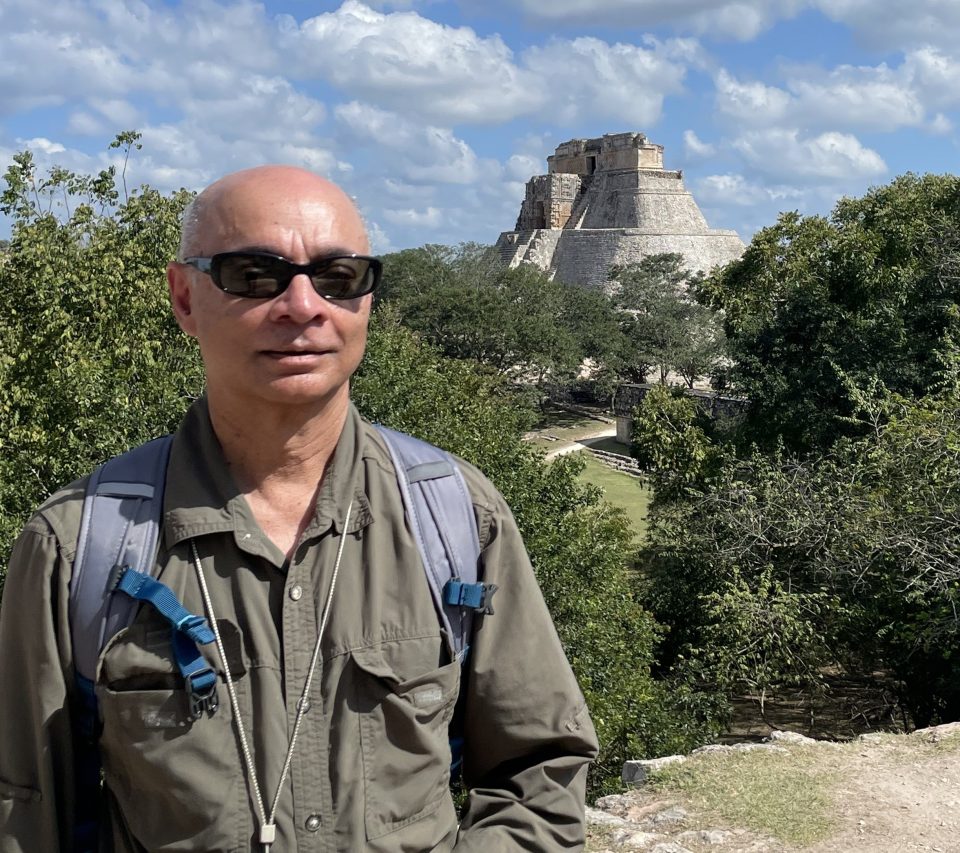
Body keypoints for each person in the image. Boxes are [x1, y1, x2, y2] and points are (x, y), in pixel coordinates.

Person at [0, 165, 599, 852]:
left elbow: (540, 770)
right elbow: (25, 806)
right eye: (255, 274)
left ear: (367, 301)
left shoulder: (456, 516)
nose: (303, 305)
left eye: (338, 277)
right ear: (185, 297)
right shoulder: (81, 545)